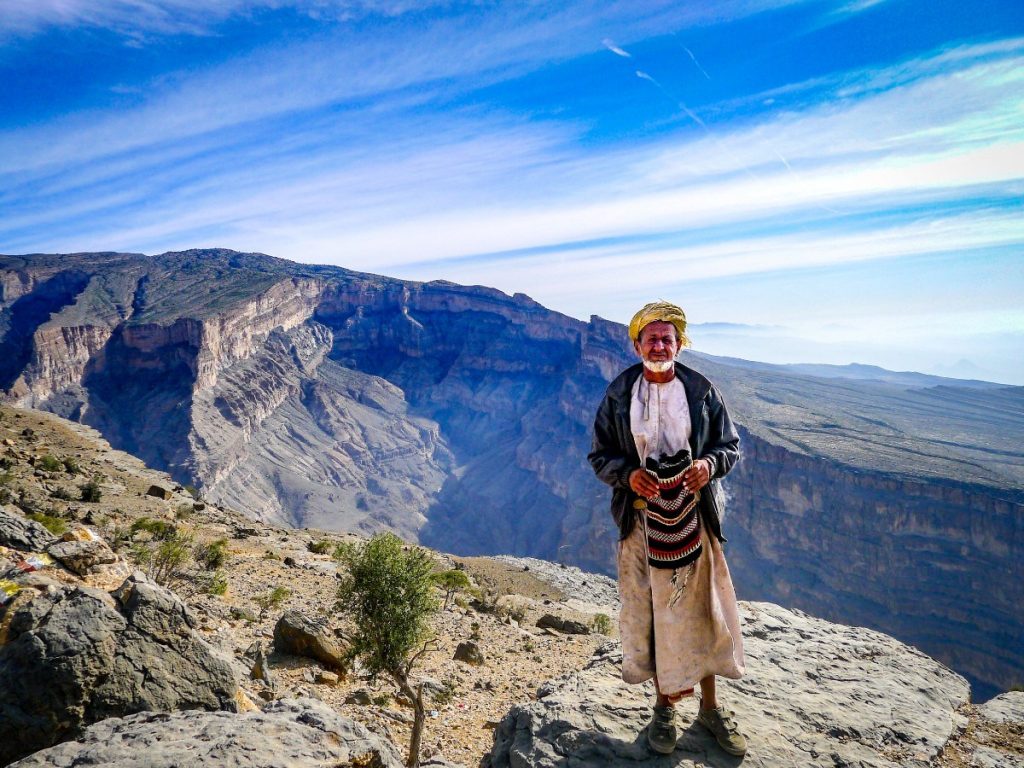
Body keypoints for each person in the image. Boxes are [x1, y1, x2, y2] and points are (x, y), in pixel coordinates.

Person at [588, 300, 747, 757]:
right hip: (640, 522)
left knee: (703, 612)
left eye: (667, 338)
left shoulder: (701, 391)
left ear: (680, 344)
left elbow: (729, 446)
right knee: (655, 615)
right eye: (651, 338)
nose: (659, 345)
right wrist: (627, 474)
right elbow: (599, 457)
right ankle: (663, 708)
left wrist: (707, 464)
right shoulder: (620, 395)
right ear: (637, 344)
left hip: (693, 521)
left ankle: (711, 709)